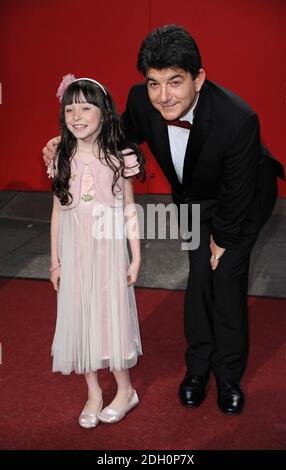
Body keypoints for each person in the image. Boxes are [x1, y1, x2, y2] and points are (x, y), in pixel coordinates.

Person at [43, 25, 284, 415]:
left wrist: (221, 240)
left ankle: (227, 376)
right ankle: (197, 369)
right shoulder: (141, 101)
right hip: (192, 200)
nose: (163, 96)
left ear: (198, 78)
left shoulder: (238, 119)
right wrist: (63, 144)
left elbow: (237, 192)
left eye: (175, 82)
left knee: (224, 279)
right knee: (198, 277)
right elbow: (114, 136)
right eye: (154, 83)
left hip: (242, 200)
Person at [48, 74, 145, 428]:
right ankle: (93, 392)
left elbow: (129, 209)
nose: (77, 115)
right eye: (70, 108)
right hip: (74, 253)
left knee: (110, 315)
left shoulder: (120, 158)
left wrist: (136, 255)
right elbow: (59, 209)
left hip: (107, 253)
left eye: (85, 107)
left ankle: (125, 390)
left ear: (103, 112)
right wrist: (55, 260)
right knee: (80, 316)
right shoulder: (61, 154)